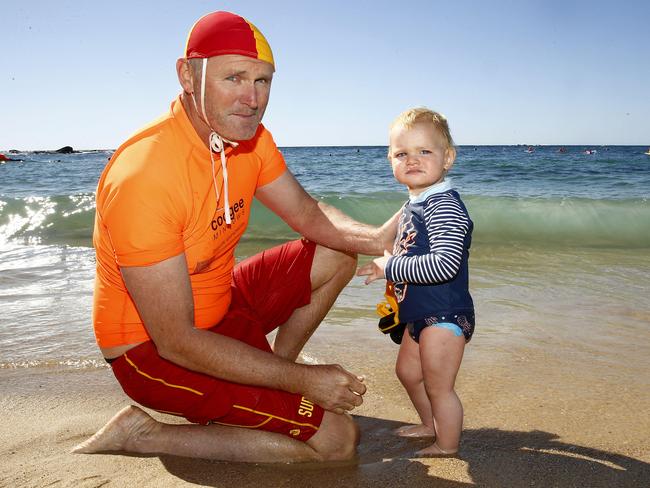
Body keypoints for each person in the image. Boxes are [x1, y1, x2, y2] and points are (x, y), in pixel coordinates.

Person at [72, 11, 396, 464]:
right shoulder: (145, 174)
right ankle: (145, 434)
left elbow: (306, 213)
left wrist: (383, 240)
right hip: (151, 352)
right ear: (188, 74)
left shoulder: (249, 138)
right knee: (338, 443)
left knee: (337, 251)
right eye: (235, 78)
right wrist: (301, 382)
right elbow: (176, 341)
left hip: (221, 305)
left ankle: (272, 376)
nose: (252, 98)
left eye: (263, 81)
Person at [357, 108, 475, 457]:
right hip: (419, 313)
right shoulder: (414, 202)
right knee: (408, 372)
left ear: (447, 157)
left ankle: (447, 444)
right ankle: (429, 423)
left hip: (445, 315)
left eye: (425, 151)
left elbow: (444, 264)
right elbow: (404, 241)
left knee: (440, 387)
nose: (412, 160)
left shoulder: (444, 206)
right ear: (389, 160)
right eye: (401, 153)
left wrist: (391, 267)